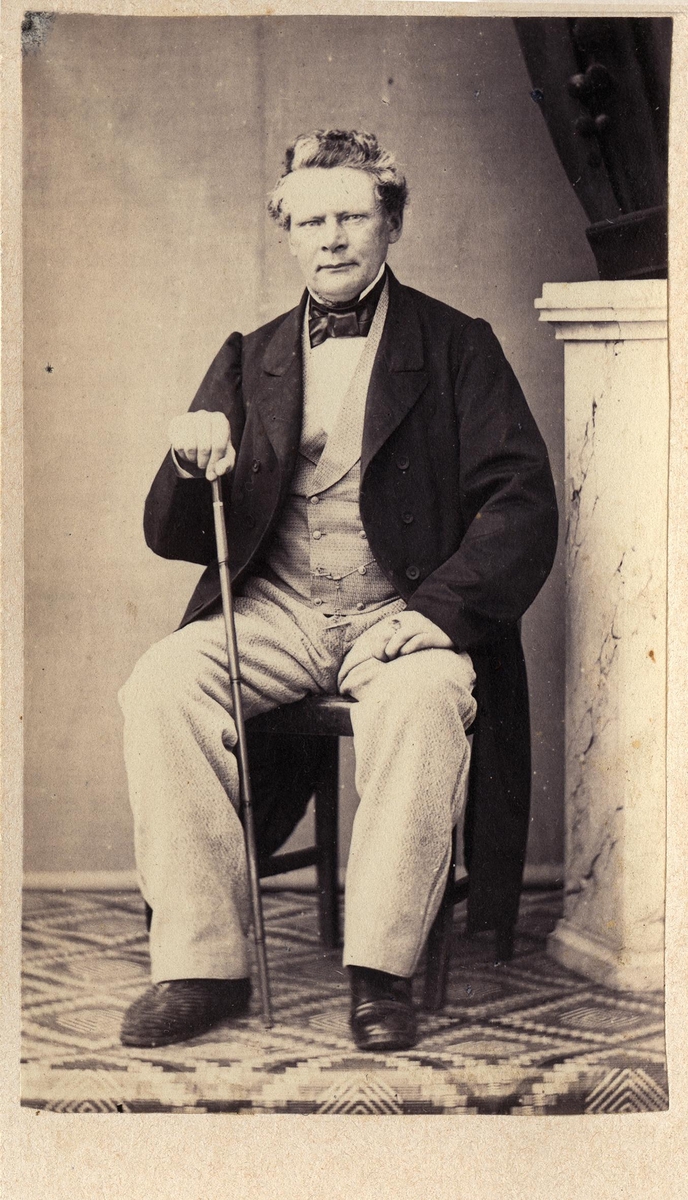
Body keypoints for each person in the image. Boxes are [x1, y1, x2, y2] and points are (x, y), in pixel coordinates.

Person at [118, 129, 558, 1053]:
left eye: (353, 215)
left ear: (391, 223)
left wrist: (436, 614)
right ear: (287, 233)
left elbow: (521, 503)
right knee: (159, 686)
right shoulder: (249, 357)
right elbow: (177, 535)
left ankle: (380, 973)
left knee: (429, 698)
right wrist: (192, 464)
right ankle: (200, 965)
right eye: (311, 220)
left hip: (399, 612)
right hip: (276, 611)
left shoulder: (458, 346)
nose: (332, 237)